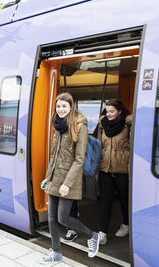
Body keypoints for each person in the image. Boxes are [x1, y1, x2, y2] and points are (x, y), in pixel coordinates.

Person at [39, 93, 100, 264]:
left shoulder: (80, 126)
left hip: (69, 179)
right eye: (58, 106)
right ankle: (56, 253)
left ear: (71, 107)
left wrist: (67, 184)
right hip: (54, 178)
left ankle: (92, 235)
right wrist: (47, 177)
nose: (60, 110)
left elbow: (79, 159)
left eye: (64, 106)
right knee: (52, 218)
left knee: (63, 218)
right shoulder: (57, 125)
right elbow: (54, 155)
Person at [95, 98, 131, 245]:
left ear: (120, 111)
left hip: (123, 169)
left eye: (112, 111)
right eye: (107, 111)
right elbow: (98, 147)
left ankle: (127, 224)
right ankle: (102, 233)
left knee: (124, 199)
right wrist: (97, 168)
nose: (109, 114)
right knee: (105, 200)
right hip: (105, 168)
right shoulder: (102, 125)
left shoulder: (128, 124)